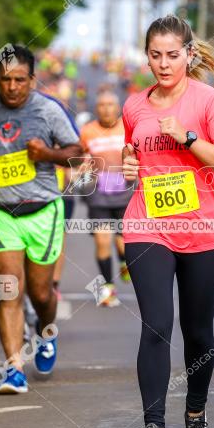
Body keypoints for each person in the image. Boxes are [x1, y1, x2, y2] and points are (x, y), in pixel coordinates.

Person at [121, 15, 214, 428]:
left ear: (188, 54)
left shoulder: (209, 102)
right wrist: (128, 165)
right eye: (155, 55)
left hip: (202, 230)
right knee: (156, 325)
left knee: (198, 332)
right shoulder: (134, 105)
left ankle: (195, 413)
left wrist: (189, 138)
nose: (163, 64)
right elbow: (130, 149)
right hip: (146, 226)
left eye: (172, 55)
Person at [0, 45, 83, 394]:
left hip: (42, 210)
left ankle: (46, 332)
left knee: (40, 292)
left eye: (20, 80)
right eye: (5, 80)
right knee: (9, 289)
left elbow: (76, 153)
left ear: (32, 79)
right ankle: (13, 367)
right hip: (0, 210)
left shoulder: (49, 111)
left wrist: (46, 153)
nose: (12, 87)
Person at [80, 90, 133, 307]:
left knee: (124, 245)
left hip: (126, 193)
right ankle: (107, 289)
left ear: (117, 107)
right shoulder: (87, 131)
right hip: (99, 194)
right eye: (101, 105)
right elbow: (80, 156)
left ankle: (124, 262)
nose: (106, 108)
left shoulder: (128, 129)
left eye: (110, 104)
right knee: (102, 241)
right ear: (96, 108)